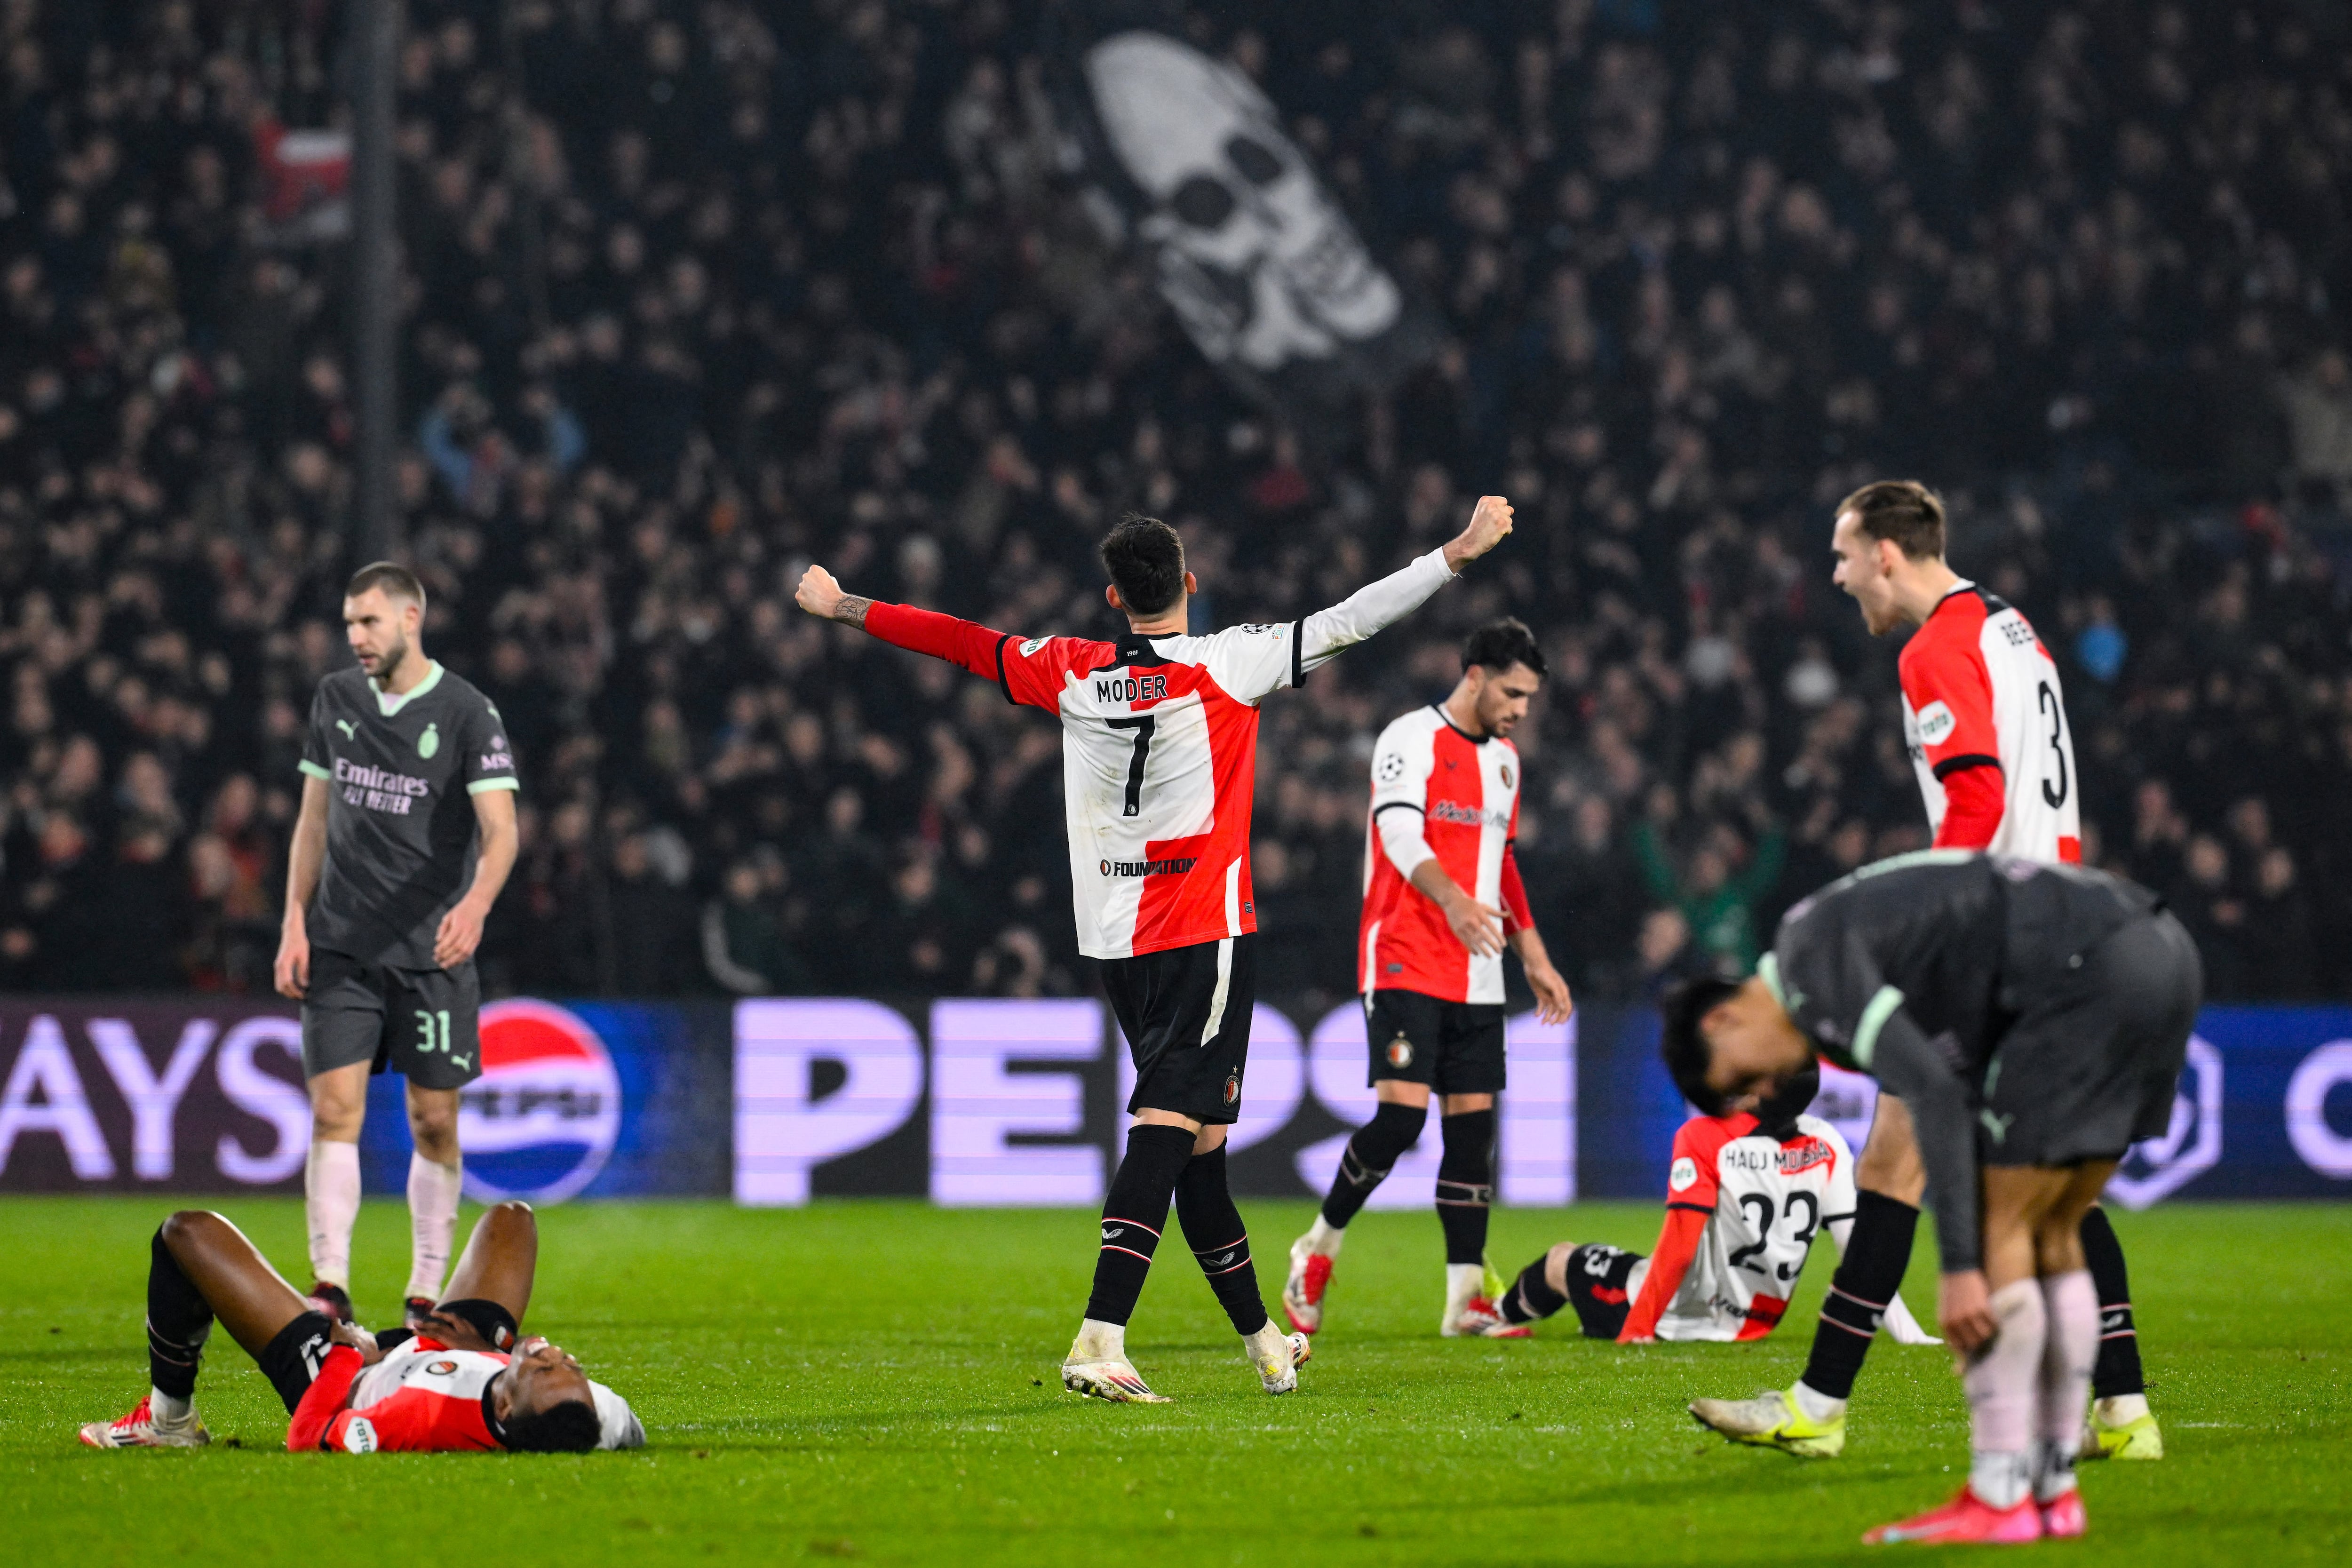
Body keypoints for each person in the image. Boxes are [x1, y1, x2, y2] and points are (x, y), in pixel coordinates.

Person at [795, 499, 1520, 1402]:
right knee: (1169, 1124)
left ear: (1113, 598)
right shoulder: (1231, 661)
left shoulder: (1069, 668)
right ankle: (1100, 1336)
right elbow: (1352, 618)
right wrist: (1457, 552)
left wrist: (844, 605)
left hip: (1114, 939)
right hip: (1202, 932)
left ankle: (1266, 1341)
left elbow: (960, 640)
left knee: (1202, 1146)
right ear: (1190, 584)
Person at [1691, 480, 2162, 1464]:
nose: (1836, 576)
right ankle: (2123, 1413)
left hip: (1997, 940)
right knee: (2019, 1180)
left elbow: (1977, 795)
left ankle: (1819, 1408)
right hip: (2060, 924)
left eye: (1842, 555)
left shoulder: (1935, 647)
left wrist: (1927, 926)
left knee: (1903, 1167)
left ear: (1887, 554)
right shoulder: (2012, 629)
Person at [1668, 852, 2199, 1544]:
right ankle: (2056, 1490)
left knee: (2004, 1222)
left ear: (1721, 1022)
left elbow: (1936, 1094)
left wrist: (1958, 1269)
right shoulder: (1836, 947)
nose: (1764, 1094)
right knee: (2054, 1226)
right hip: (2162, 951)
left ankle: (2000, 1495)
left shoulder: (1809, 962)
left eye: (1742, 1081)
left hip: (2083, 973)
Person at [1282, 617, 1574, 1340]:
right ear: (1475, 676)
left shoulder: (1505, 763)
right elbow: (1398, 832)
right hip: (1405, 953)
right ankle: (1316, 1247)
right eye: (1513, 693)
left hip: (1478, 966)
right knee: (1402, 1120)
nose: (1521, 710)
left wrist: (1535, 956)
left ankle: (1465, 1298)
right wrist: (1454, 901)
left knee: (1473, 1135)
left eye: (1530, 698)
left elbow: (1503, 863)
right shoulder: (1409, 738)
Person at [273, 563, 521, 1329]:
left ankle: (424, 1291)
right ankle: (329, 1284)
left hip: (431, 949)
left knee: (434, 1120)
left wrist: (476, 904)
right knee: (333, 1109)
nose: (357, 635)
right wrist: (293, 920)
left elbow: (502, 830)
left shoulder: (467, 711)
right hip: (341, 942)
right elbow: (314, 819)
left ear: (412, 618)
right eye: (350, 621)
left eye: (370, 621)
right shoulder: (336, 698)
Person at [80, 1201, 642, 1453]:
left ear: (502, 1406)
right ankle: (482, 1348)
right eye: (570, 1365)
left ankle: (169, 1421)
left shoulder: (419, 1415)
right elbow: (596, 1422)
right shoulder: (597, 1414)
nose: (553, 1352)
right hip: (444, 1349)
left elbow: (308, 1437)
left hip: (348, 1374)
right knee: (512, 1220)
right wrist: (488, 1350)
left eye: (541, 1367)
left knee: (187, 1232)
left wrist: (350, 1351)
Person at [1493, 1065, 1938, 1346]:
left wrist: (1639, 1327)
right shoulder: (1828, 1142)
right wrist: (1911, 1334)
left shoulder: (1706, 1136)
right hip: (1755, 1323)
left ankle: (1495, 1316)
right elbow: (1859, 1253)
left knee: (1561, 1259)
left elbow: (1679, 1247)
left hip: (1669, 1317)